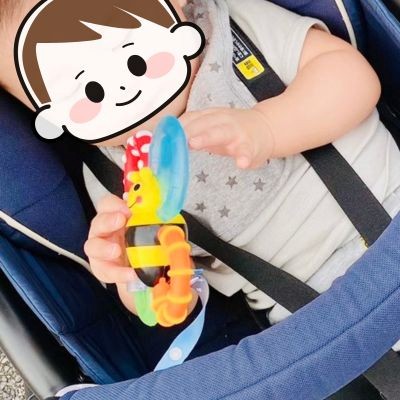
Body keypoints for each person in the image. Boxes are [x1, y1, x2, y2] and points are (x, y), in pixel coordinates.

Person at [2, 0, 400, 324]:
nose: (121, 87)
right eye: (86, 91)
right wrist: (137, 274)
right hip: (313, 309)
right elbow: (177, 296)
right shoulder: (113, 177)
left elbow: (351, 77)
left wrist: (267, 127)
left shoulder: (234, 35)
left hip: (388, 205)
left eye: (131, 54)